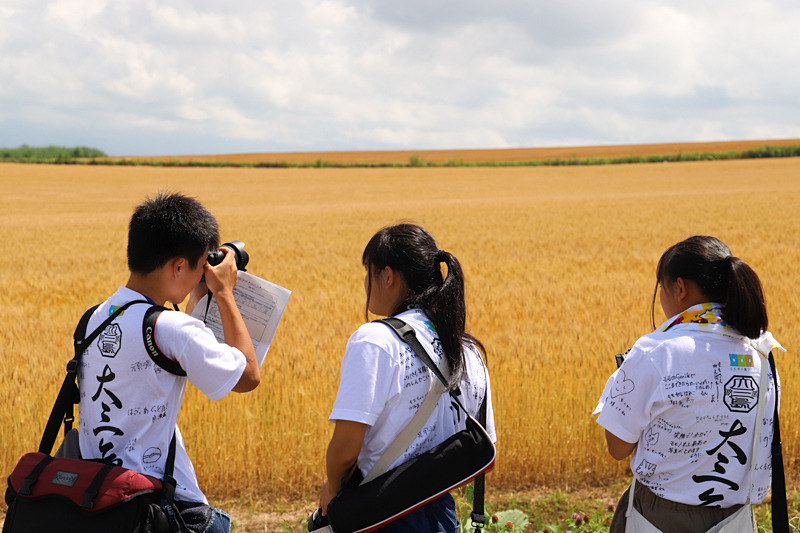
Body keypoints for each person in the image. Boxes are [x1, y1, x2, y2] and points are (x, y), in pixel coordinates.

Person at [77, 192, 261, 533]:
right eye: (198, 265)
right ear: (178, 266)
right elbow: (248, 377)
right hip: (156, 506)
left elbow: (174, 352)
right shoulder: (173, 329)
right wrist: (223, 293)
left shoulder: (96, 317)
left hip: (99, 498)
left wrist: (195, 294)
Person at [594, 235, 783, 532]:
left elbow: (618, 446)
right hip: (735, 519)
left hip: (660, 517)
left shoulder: (656, 352)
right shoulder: (762, 354)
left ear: (679, 288)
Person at [317, 223, 496, 532]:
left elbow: (346, 448)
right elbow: (486, 443)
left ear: (388, 276)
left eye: (368, 273)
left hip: (379, 516)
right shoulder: (468, 349)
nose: (364, 283)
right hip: (441, 516)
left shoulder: (375, 340)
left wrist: (332, 489)